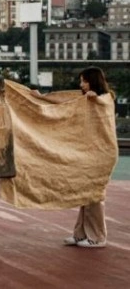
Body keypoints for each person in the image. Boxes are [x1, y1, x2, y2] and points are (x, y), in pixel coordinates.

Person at [62, 67, 114, 248]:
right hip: (90, 153)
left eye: (84, 81)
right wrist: (39, 97)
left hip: (101, 154)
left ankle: (98, 237)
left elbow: (104, 104)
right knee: (86, 194)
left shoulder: (105, 99)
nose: (81, 85)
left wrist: (96, 99)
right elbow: (64, 101)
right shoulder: (87, 99)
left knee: (94, 195)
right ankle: (81, 234)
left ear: (93, 81)